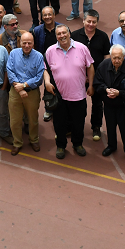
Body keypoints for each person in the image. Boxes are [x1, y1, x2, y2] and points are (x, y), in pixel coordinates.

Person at [44, 24, 95, 159]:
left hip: (78, 95)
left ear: (69, 33)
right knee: (59, 123)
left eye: (64, 33)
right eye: (59, 34)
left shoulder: (82, 48)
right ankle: (61, 146)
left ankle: (77, 144)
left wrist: (91, 85)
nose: (62, 36)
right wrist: (47, 82)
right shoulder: (50, 51)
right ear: (56, 36)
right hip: (59, 95)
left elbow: (90, 67)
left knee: (78, 122)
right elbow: (45, 69)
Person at [93, 45, 125, 163]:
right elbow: (97, 83)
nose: (116, 60)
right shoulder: (103, 66)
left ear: (124, 57)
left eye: (119, 58)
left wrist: (119, 93)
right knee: (110, 127)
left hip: (124, 106)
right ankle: (111, 146)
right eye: (114, 58)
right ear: (110, 56)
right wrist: (106, 89)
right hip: (108, 105)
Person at [71, 9, 111, 142]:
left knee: (97, 104)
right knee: (77, 103)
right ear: (83, 21)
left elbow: (106, 57)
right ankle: (76, 126)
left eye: (94, 22)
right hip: (79, 77)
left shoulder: (103, 36)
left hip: (98, 78)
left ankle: (96, 127)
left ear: (97, 23)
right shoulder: (74, 36)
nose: (91, 24)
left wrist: (100, 75)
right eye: (88, 21)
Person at [6, 31, 44, 155]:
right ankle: (17, 142)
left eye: (29, 43)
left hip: (32, 93)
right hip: (15, 92)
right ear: (20, 42)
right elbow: (10, 71)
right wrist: (20, 88)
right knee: (15, 120)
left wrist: (24, 85)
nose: (27, 45)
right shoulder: (13, 54)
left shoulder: (39, 56)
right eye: (24, 42)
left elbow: (39, 77)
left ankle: (34, 140)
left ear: (33, 43)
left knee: (33, 119)